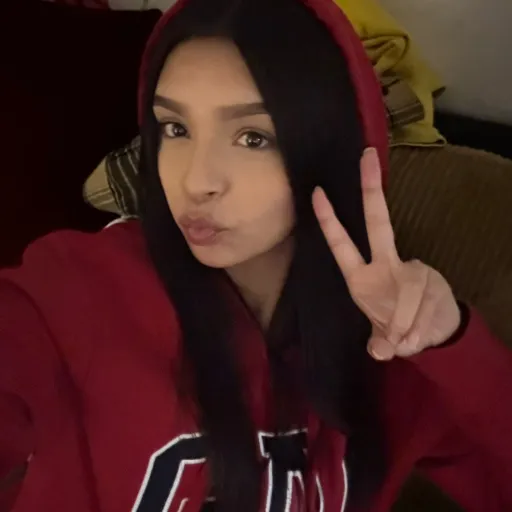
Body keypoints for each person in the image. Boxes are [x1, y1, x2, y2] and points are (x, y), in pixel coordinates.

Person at [1, 0, 511, 510]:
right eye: (175, 128)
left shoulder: (388, 342)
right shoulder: (76, 292)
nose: (196, 181)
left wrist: (451, 345)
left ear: (327, 147)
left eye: (252, 137)